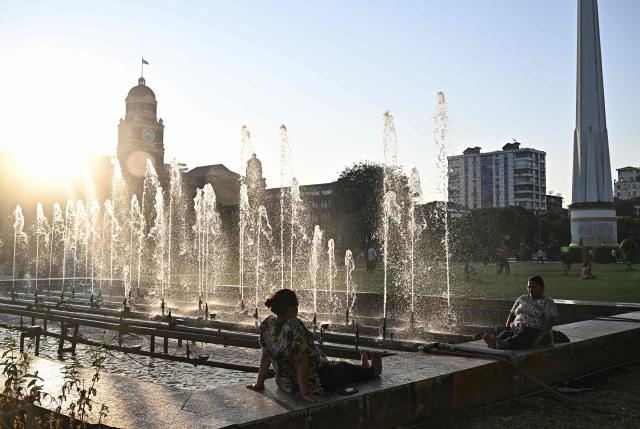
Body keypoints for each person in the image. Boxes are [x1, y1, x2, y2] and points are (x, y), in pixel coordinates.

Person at [247, 289, 381, 400]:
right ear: (290, 309)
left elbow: (266, 356)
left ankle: (363, 368)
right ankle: (372, 371)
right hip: (314, 381)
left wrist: (259, 384)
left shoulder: (266, 324)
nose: (298, 309)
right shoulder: (294, 325)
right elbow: (301, 360)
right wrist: (305, 393)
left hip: (285, 384)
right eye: (297, 306)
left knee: (335, 366)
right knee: (343, 369)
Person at [483, 275, 557, 350]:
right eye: (529, 287)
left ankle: (504, 343)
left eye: (533, 287)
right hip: (516, 328)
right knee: (507, 333)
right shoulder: (522, 298)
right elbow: (511, 314)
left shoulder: (547, 301)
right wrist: (507, 327)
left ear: (542, 288)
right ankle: (495, 342)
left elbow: (550, 321)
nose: (530, 290)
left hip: (533, 330)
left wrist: (539, 338)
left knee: (525, 334)